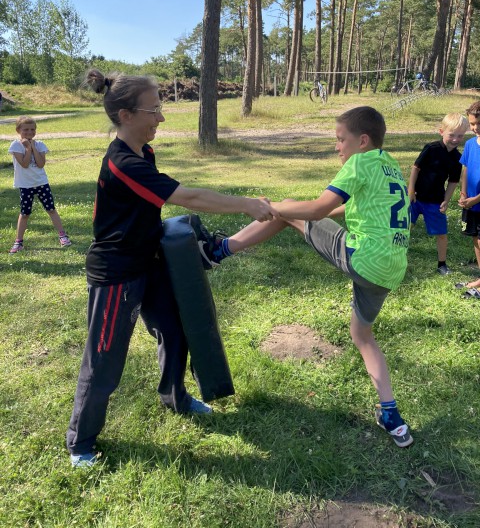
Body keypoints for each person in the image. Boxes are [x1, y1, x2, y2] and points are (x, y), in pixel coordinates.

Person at [66, 69, 276, 467]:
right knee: (105, 357)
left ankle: (175, 398)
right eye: (155, 109)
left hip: (149, 261)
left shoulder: (143, 152)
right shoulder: (124, 164)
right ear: (126, 115)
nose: (161, 117)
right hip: (117, 272)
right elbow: (188, 197)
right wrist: (246, 203)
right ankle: (81, 441)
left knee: (175, 330)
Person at [199, 106, 414, 448]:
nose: (336, 147)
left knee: (289, 210)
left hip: (365, 258)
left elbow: (316, 210)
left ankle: (217, 251)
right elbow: (348, 206)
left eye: (340, 139)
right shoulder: (390, 166)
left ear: (362, 141)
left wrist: (274, 208)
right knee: (362, 335)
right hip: (391, 269)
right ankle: (391, 416)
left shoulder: (358, 163)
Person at [407, 113, 468, 275]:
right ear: (442, 131)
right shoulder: (431, 148)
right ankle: (396, 256)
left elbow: (453, 181)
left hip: (435, 201)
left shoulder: (457, 158)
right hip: (415, 198)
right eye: (451, 135)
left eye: (460, 136)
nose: (455, 139)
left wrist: (446, 200)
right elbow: (415, 168)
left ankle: (442, 264)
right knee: (405, 228)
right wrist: (411, 190)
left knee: (441, 233)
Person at [8, 116, 72, 253]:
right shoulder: (15, 146)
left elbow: (41, 163)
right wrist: (27, 148)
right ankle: (18, 242)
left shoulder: (40, 144)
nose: (29, 132)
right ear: (18, 130)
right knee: (25, 213)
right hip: (25, 185)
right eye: (25, 129)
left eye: (32, 129)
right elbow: (24, 164)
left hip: (41, 183)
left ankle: (63, 235)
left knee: (51, 209)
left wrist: (32, 147)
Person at [458, 100, 480, 277]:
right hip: (471, 204)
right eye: (472, 124)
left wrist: (477, 198)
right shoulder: (470, 145)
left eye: (478, 124)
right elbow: (465, 170)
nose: (475, 128)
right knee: (476, 238)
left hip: (477, 201)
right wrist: (464, 193)